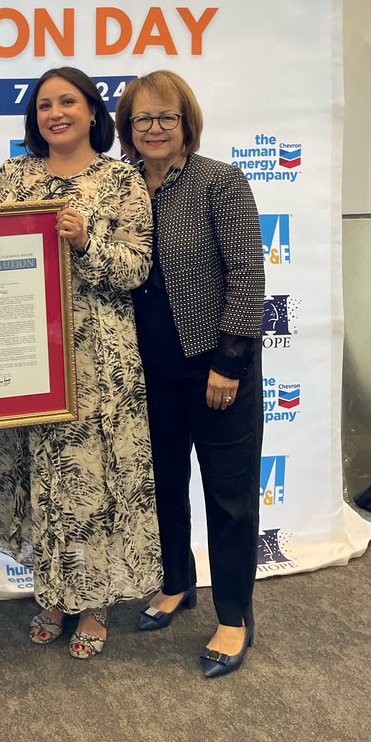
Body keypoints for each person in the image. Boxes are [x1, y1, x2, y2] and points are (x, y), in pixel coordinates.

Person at [0, 67, 160, 659]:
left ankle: (92, 604)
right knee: (46, 472)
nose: (55, 113)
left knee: (94, 478)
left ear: (93, 112)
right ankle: (53, 593)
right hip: (28, 349)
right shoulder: (13, 175)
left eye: (68, 102)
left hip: (99, 355)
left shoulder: (121, 180)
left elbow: (137, 268)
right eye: (43, 105)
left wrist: (86, 242)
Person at [114, 70, 265, 678]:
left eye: (165, 118)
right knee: (165, 487)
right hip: (150, 372)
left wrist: (228, 364)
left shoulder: (218, 181)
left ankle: (234, 618)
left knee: (228, 498)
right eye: (142, 119)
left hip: (215, 369)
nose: (153, 128)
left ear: (186, 124)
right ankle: (177, 583)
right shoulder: (119, 186)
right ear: (127, 128)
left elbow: (248, 277)